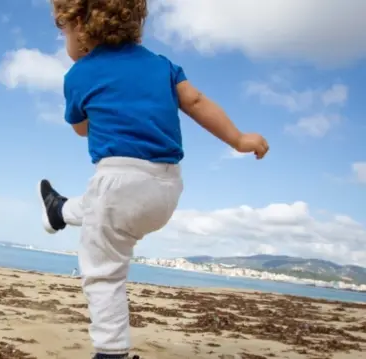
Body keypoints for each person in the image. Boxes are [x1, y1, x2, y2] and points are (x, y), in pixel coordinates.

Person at [38, 1, 269, 358]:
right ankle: (59, 211)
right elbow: (195, 100)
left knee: (102, 270)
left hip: (118, 181)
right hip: (167, 188)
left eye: (62, 30)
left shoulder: (78, 75)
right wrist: (238, 139)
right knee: (98, 208)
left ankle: (111, 352)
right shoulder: (162, 66)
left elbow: (82, 129)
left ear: (80, 25)